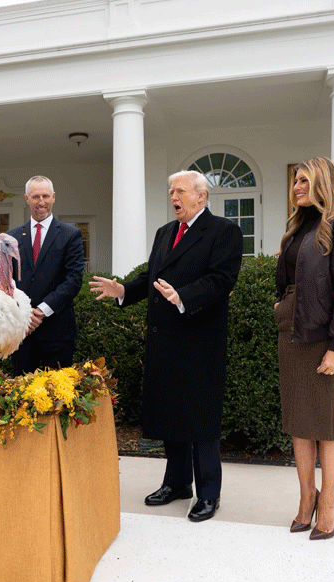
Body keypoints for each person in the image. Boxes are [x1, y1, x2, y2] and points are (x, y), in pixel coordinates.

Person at [90, 170, 243, 522]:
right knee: (172, 414)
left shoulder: (224, 231)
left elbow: (221, 280)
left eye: (180, 190)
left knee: (201, 419)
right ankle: (176, 484)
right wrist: (125, 291)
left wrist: (183, 296)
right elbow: (151, 278)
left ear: (201, 197)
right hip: (166, 340)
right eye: (170, 190)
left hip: (200, 339)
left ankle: (208, 493)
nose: (173, 196)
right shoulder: (164, 233)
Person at [274, 157, 334, 540]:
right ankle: (306, 497)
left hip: (322, 338)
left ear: (324, 183)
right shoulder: (299, 228)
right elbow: (286, 280)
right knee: (298, 419)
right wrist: (280, 304)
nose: (297, 186)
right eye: (296, 180)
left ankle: (328, 500)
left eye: (305, 180)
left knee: (326, 422)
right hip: (292, 334)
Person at [6, 175, 85, 375]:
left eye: (45, 196)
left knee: (58, 399)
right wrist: (24, 314)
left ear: (54, 197)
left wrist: (40, 311)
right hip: (22, 332)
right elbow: (6, 280)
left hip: (58, 332)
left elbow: (73, 280)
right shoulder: (13, 236)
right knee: (21, 397)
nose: (41, 202)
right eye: (35, 197)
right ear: (26, 199)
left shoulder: (70, 235)